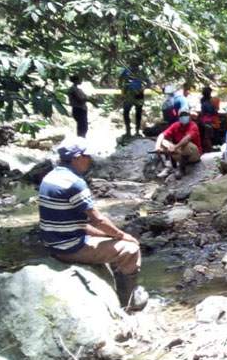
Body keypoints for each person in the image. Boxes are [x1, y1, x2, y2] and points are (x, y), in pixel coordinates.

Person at [39, 137, 148, 311]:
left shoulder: (50, 177)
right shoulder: (75, 183)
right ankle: (128, 302)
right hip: (70, 247)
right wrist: (123, 235)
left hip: (55, 242)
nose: (89, 160)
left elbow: (76, 222)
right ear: (76, 158)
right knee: (131, 250)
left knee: (110, 237)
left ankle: (118, 286)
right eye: (86, 156)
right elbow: (98, 220)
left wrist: (109, 235)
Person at [154, 107, 202, 179]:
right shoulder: (176, 125)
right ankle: (169, 165)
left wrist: (175, 147)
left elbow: (187, 138)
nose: (184, 117)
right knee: (164, 142)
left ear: (189, 116)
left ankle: (182, 168)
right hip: (180, 152)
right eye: (181, 115)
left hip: (194, 154)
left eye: (185, 115)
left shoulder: (193, 125)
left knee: (187, 145)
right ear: (179, 117)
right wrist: (157, 146)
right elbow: (162, 135)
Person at [120, 62, 150, 136]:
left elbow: (148, 82)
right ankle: (128, 131)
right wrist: (122, 90)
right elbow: (120, 79)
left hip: (139, 94)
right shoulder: (126, 70)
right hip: (129, 93)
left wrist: (143, 89)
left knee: (138, 112)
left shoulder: (141, 72)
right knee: (126, 112)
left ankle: (137, 131)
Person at [199, 86, 218, 152]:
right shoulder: (210, 101)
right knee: (208, 135)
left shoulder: (202, 101)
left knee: (206, 135)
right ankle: (210, 149)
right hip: (210, 121)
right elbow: (215, 111)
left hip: (204, 120)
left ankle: (205, 148)